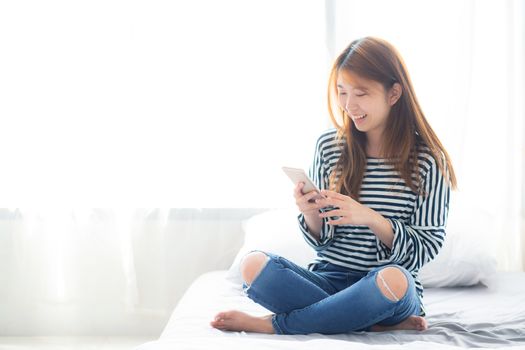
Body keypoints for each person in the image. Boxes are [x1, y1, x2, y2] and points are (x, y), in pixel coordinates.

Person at [210, 36, 457, 335]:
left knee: (394, 280)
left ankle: (274, 326)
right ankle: (367, 322)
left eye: (361, 93)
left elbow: (424, 249)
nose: (349, 105)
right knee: (253, 265)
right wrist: (311, 213)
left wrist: (369, 217)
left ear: (394, 94)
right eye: (342, 92)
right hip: (329, 279)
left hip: (385, 287)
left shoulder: (429, 161)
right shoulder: (329, 147)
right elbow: (320, 241)